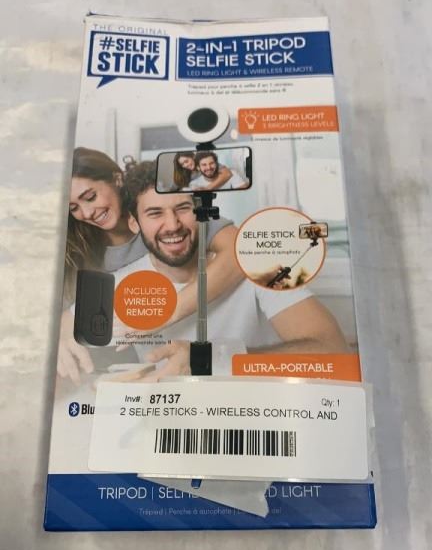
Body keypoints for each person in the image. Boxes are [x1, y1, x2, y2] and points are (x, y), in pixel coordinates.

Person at [114, 162, 348, 379]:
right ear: (134, 223)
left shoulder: (261, 265)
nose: (173, 225)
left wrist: (212, 360)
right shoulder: (119, 284)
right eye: (155, 213)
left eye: (183, 208)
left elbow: (333, 351)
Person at [57, 149, 244, 383]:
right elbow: (64, 319)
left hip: (200, 349)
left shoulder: (170, 215)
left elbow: (240, 251)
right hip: (127, 369)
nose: (86, 213)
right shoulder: (77, 251)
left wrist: (164, 314)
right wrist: (61, 331)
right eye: (74, 208)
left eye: (90, 196)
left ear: (116, 179)